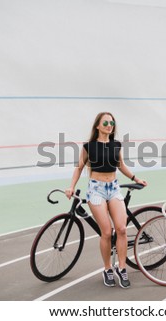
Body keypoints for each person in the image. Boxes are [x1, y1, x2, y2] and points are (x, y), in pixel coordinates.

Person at [65, 112, 147, 289]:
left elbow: (121, 165)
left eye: (112, 123)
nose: (109, 125)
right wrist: (71, 186)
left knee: (122, 229)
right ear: (97, 126)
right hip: (96, 190)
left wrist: (135, 178)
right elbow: (79, 168)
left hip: (114, 188)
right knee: (107, 232)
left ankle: (122, 268)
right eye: (106, 122)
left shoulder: (116, 145)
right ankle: (108, 269)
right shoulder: (89, 146)